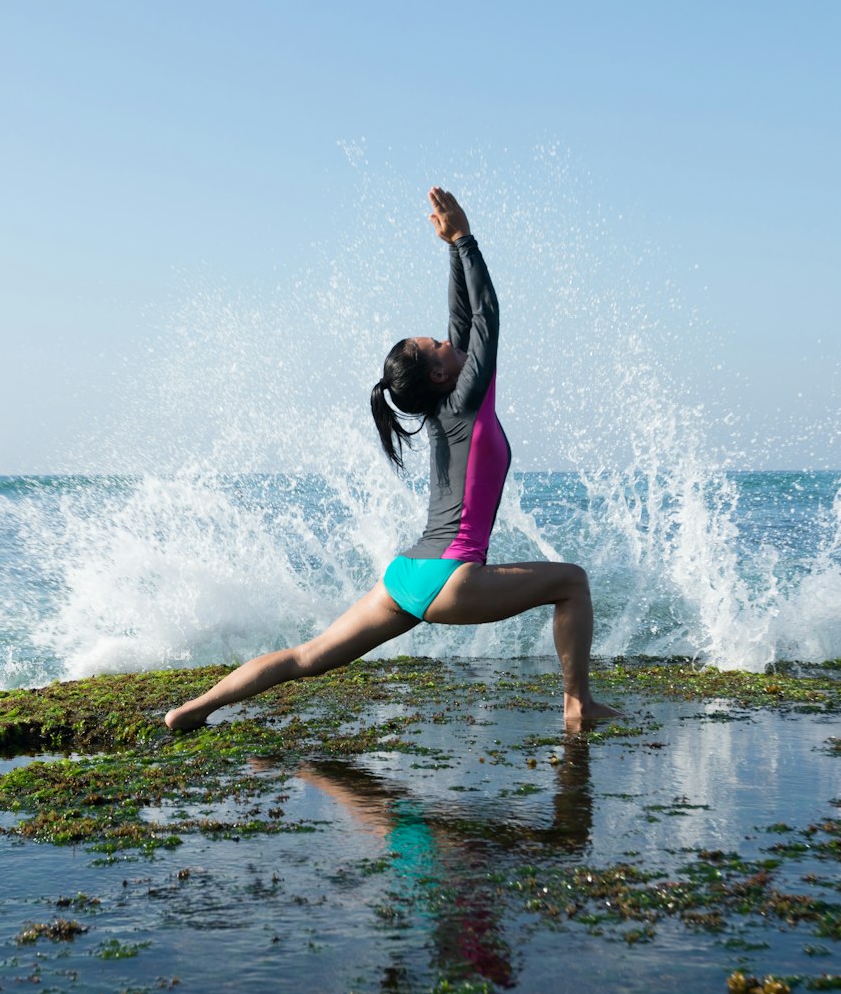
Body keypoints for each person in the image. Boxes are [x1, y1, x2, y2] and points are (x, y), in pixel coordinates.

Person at [164, 187, 619, 732]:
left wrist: (451, 247)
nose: (449, 341)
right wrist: (468, 241)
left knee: (305, 657)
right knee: (573, 582)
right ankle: (577, 704)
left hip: (406, 576)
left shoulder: (446, 403)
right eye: (437, 345)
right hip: (453, 578)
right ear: (439, 374)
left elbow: (465, 320)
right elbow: (487, 316)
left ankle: (192, 710)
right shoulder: (468, 400)